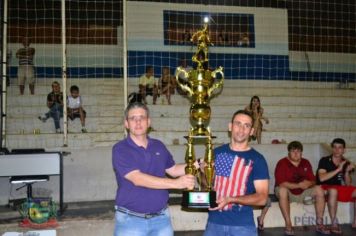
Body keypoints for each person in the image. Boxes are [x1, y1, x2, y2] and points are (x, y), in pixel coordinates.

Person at [112, 102, 196, 236]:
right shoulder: (120, 149)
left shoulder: (159, 146)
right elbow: (137, 178)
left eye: (142, 117)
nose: (138, 121)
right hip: (130, 221)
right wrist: (176, 184)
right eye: (133, 118)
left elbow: (173, 169)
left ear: (149, 121)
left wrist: (199, 164)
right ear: (126, 123)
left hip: (161, 219)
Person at [204, 110, 269, 236]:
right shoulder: (215, 153)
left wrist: (230, 199)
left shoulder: (257, 159)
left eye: (247, 125)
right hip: (214, 223)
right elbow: (207, 185)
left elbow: (262, 198)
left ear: (252, 131)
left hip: (243, 225)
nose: (241, 129)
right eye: (238, 123)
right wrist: (202, 173)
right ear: (230, 127)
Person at [274, 141, 330, 235]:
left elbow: (313, 180)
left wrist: (309, 183)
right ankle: (288, 224)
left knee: (319, 189)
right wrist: (299, 185)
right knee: (282, 190)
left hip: (303, 191)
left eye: (298, 151)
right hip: (288, 192)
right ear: (289, 153)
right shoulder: (282, 163)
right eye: (293, 151)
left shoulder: (305, 162)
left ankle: (319, 224)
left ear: (301, 153)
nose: (296, 153)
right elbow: (282, 184)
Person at [316, 138, 356, 234]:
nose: (337, 150)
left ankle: (355, 221)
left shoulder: (346, 162)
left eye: (340, 148)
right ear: (332, 149)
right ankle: (334, 223)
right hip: (324, 188)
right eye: (334, 147)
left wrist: (346, 171)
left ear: (344, 150)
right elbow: (322, 178)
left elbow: (348, 184)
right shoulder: (324, 160)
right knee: (333, 190)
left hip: (339, 189)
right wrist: (338, 169)